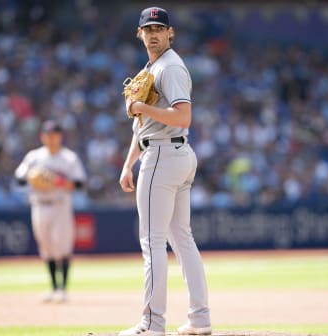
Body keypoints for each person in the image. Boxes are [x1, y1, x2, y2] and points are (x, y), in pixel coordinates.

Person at [118, 7, 211, 336]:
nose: (154, 33)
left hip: (163, 156)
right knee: (182, 239)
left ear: (171, 33)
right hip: (171, 153)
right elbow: (143, 126)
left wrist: (142, 106)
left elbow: (183, 117)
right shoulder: (152, 67)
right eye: (149, 28)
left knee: (152, 242)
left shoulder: (169, 67)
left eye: (160, 28)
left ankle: (152, 324)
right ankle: (200, 319)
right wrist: (129, 163)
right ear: (139, 33)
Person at [14, 120, 87, 303]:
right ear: (42, 137)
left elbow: (79, 183)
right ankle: (54, 288)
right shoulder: (34, 157)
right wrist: (33, 177)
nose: (52, 138)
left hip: (60, 204)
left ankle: (63, 289)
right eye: (48, 135)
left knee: (61, 246)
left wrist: (58, 181)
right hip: (38, 204)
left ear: (60, 136)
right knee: (46, 247)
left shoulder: (69, 158)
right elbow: (19, 178)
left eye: (55, 134)